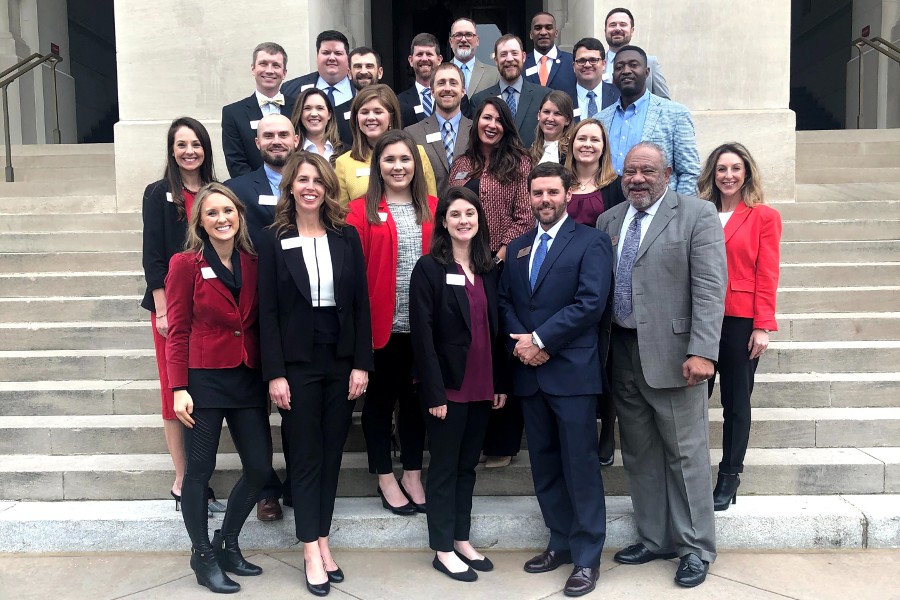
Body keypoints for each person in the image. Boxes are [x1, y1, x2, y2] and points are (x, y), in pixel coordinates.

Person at [596, 142, 726, 588]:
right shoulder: (609, 220)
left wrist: (704, 351)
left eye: (648, 170)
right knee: (640, 452)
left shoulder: (696, 215)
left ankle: (695, 547)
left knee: (686, 454)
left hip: (676, 356)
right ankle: (655, 538)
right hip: (622, 353)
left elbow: (710, 288)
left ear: (667, 174)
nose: (637, 178)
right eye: (630, 170)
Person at [258, 152, 373, 596]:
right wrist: (275, 374)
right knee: (305, 459)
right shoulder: (274, 239)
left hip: (341, 361)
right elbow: (267, 311)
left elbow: (361, 304)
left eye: (317, 180)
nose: (310, 187)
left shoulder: (346, 237)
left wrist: (362, 362)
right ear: (291, 187)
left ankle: (323, 540)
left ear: (328, 188)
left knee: (330, 458)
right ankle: (309, 548)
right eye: (302, 180)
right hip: (297, 366)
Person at [499, 162, 612, 598]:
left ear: (568, 194)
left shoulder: (592, 242)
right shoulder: (519, 246)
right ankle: (560, 541)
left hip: (572, 374)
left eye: (552, 192)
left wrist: (542, 339)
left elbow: (590, 304)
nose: (544, 200)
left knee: (580, 467)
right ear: (528, 197)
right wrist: (520, 345)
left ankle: (586, 557)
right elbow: (505, 301)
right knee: (544, 464)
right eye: (537, 193)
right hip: (529, 374)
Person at [166, 183, 273, 594]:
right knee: (199, 473)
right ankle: (202, 555)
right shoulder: (185, 264)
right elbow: (177, 330)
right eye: (212, 213)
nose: (222, 218)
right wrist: (179, 387)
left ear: (239, 215)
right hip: (204, 379)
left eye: (228, 210)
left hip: (245, 376)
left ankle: (227, 542)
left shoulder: (253, 260)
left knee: (261, 468)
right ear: (201, 221)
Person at [409, 187, 507, 583]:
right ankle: (443, 548)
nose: (464, 220)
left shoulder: (487, 270)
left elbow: (494, 331)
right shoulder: (429, 268)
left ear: (479, 219)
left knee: (468, 467)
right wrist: (433, 392)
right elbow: (422, 335)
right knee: (446, 468)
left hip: (484, 385)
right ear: (443, 222)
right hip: (448, 388)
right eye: (455, 214)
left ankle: (462, 538)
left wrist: (500, 381)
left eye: (470, 213)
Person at [347, 130, 438, 517]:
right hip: (380, 328)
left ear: (415, 165)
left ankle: (413, 474)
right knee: (380, 404)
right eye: (389, 160)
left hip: (424, 327)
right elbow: (351, 277)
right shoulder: (358, 212)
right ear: (377, 166)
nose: (398, 166)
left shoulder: (434, 207)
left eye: (404, 159)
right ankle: (385, 475)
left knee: (416, 403)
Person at [141, 117, 224, 519]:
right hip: (171, 312)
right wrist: (162, 310)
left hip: (210, 310)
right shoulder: (159, 194)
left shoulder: (215, 193)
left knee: (201, 393)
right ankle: (183, 477)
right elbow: (153, 255)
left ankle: (198, 471)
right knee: (174, 393)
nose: (190, 151)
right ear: (172, 151)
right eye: (181, 144)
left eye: (196, 143)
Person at [225, 112, 300, 521]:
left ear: (296, 138)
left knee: (295, 405)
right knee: (255, 409)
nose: (275, 141)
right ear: (257, 143)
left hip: (300, 311)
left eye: (282, 134)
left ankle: (296, 483)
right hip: (251, 309)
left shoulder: (314, 183)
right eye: (267, 135)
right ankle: (265, 486)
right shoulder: (237, 189)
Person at [449, 97, 532, 468]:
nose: (492, 124)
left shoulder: (518, 163)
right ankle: (472, 436)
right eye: (486, 118)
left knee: (501, 349)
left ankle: (501, 443)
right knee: (470, 345)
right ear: (475, 123)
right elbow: (449, 210)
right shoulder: (462, 165)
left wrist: (496, 255)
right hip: (462, 267)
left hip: (499, 269)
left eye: (499, 119)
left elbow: (524, 218)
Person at [698, 142, 782, 511]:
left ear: (746, 172)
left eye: (735, 168)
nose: (728, 175)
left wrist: (762, 325)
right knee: (692, 401)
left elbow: (768, 273)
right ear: (712, 175)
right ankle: (693, 475)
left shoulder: (763, 217)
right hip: (701, 319)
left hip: (740, 319)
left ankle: (729, 477)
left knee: (735, 403)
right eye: (721, 169)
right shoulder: (700, 212)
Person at [598, 45, 700, 195]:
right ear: (613, 75)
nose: (626, 71)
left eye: (633, 65)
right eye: (619, 67)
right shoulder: (601, 119)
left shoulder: (675, 113)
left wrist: (678, 213)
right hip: (609, 208)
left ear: (647, 72)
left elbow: (689, 172)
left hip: (660, 208)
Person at [334, 84, 436, 205]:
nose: (371, 117)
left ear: (391, 116)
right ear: (356, 118)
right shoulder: (344, 163)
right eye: (364, 112)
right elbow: (342, 215)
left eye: (378, 112)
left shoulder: (417, 153)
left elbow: (431, 203)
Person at [222, 42, 296, 178]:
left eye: (276, 65)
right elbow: (236, 162)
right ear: (253, 69)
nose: (269, 70)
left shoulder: (299, 107)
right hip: (253, 192)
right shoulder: (233, 113)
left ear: (284, 73)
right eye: (263, 64)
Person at [404, 63, 472, 197]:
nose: (447, 88)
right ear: (432, 91)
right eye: (441, 83)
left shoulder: (477, 131)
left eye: (453, 83)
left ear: (463, 91)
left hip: (467, 214)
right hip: (428, 214)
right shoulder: (412, 133)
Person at [471, 34, 550, 148]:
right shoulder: (479, 100)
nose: (509, 59)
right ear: (496, 60)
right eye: (503, 54)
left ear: (523, 57)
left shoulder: (544, 96)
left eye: (514, 53)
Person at [563, 118, 626, 226]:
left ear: (603, 148)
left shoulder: (619, 186)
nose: (587, 144)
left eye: (594, 140)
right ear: (572, 144)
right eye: (582, 139)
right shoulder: (559, 181)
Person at [603, 8, 670, 99]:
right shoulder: (596, 65)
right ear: (605, 31)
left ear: (632, 30)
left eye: (623, 25)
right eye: (612, 25)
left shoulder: (650, 62)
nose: (617, 29)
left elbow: (664, 101)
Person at [281, 30, 354, 106]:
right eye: (326, 53)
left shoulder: (361, 88)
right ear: (317, 56)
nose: (332, 58)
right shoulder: (290, 90)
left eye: (338, 53)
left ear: (347, 58)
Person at [331, 47, 385, 146]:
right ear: (349, 73)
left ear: (380, 72)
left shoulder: (397, 108)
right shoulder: (337, 114)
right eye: (358, 66)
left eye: (369, 66)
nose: (363, 71)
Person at [523, 12, 577, 100]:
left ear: (556, 33)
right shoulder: (522, 63)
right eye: (538, 28)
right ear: (531, 34)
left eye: (548, 27)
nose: (543, 32)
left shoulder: (571, 62)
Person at [398, 33, 443, 127]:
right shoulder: (399, 101)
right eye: (419, 54)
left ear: (439, 60)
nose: (424, 58)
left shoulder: (451, 96)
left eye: (429, 54)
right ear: (411, 61)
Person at [289, 88, 344, 162]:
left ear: (329, 115)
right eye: (307, 108)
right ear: (299, 114)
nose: (314, 114)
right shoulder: (290, 152)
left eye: (320, 108)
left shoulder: (345, 152)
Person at [448, 18, 499, 97]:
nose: (463, 39)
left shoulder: (495, 75)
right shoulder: (438, 73)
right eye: (458, 35)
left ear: (477, 41)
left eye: (469, 35)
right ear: (451, 42)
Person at [572, 37, 619, 119]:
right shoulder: (562, 98)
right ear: (574, 66)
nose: (587, 65)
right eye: (581, 61)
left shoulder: (619, 96)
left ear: (604, 64)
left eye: (593, 60)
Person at [529, 90, 575, 165]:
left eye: (557, 114)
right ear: (538, 115)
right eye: (546, 112)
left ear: (567, 120)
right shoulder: (531, 152)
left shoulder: (573, 152)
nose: (550, 118)